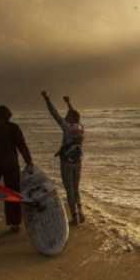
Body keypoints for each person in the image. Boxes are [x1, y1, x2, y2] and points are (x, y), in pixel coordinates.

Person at [41, 91, 85, 224]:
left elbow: (54, 114)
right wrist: (68, 103)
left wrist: (47, 99)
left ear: (70, 118)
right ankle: (80, 212)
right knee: (76, 188)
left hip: (66, 162)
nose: (65, 116)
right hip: (78, 161)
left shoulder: (66, 127)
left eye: (67, 115)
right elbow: (75, 114)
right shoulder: (81, 127)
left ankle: (74, 216)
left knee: (69, 189)